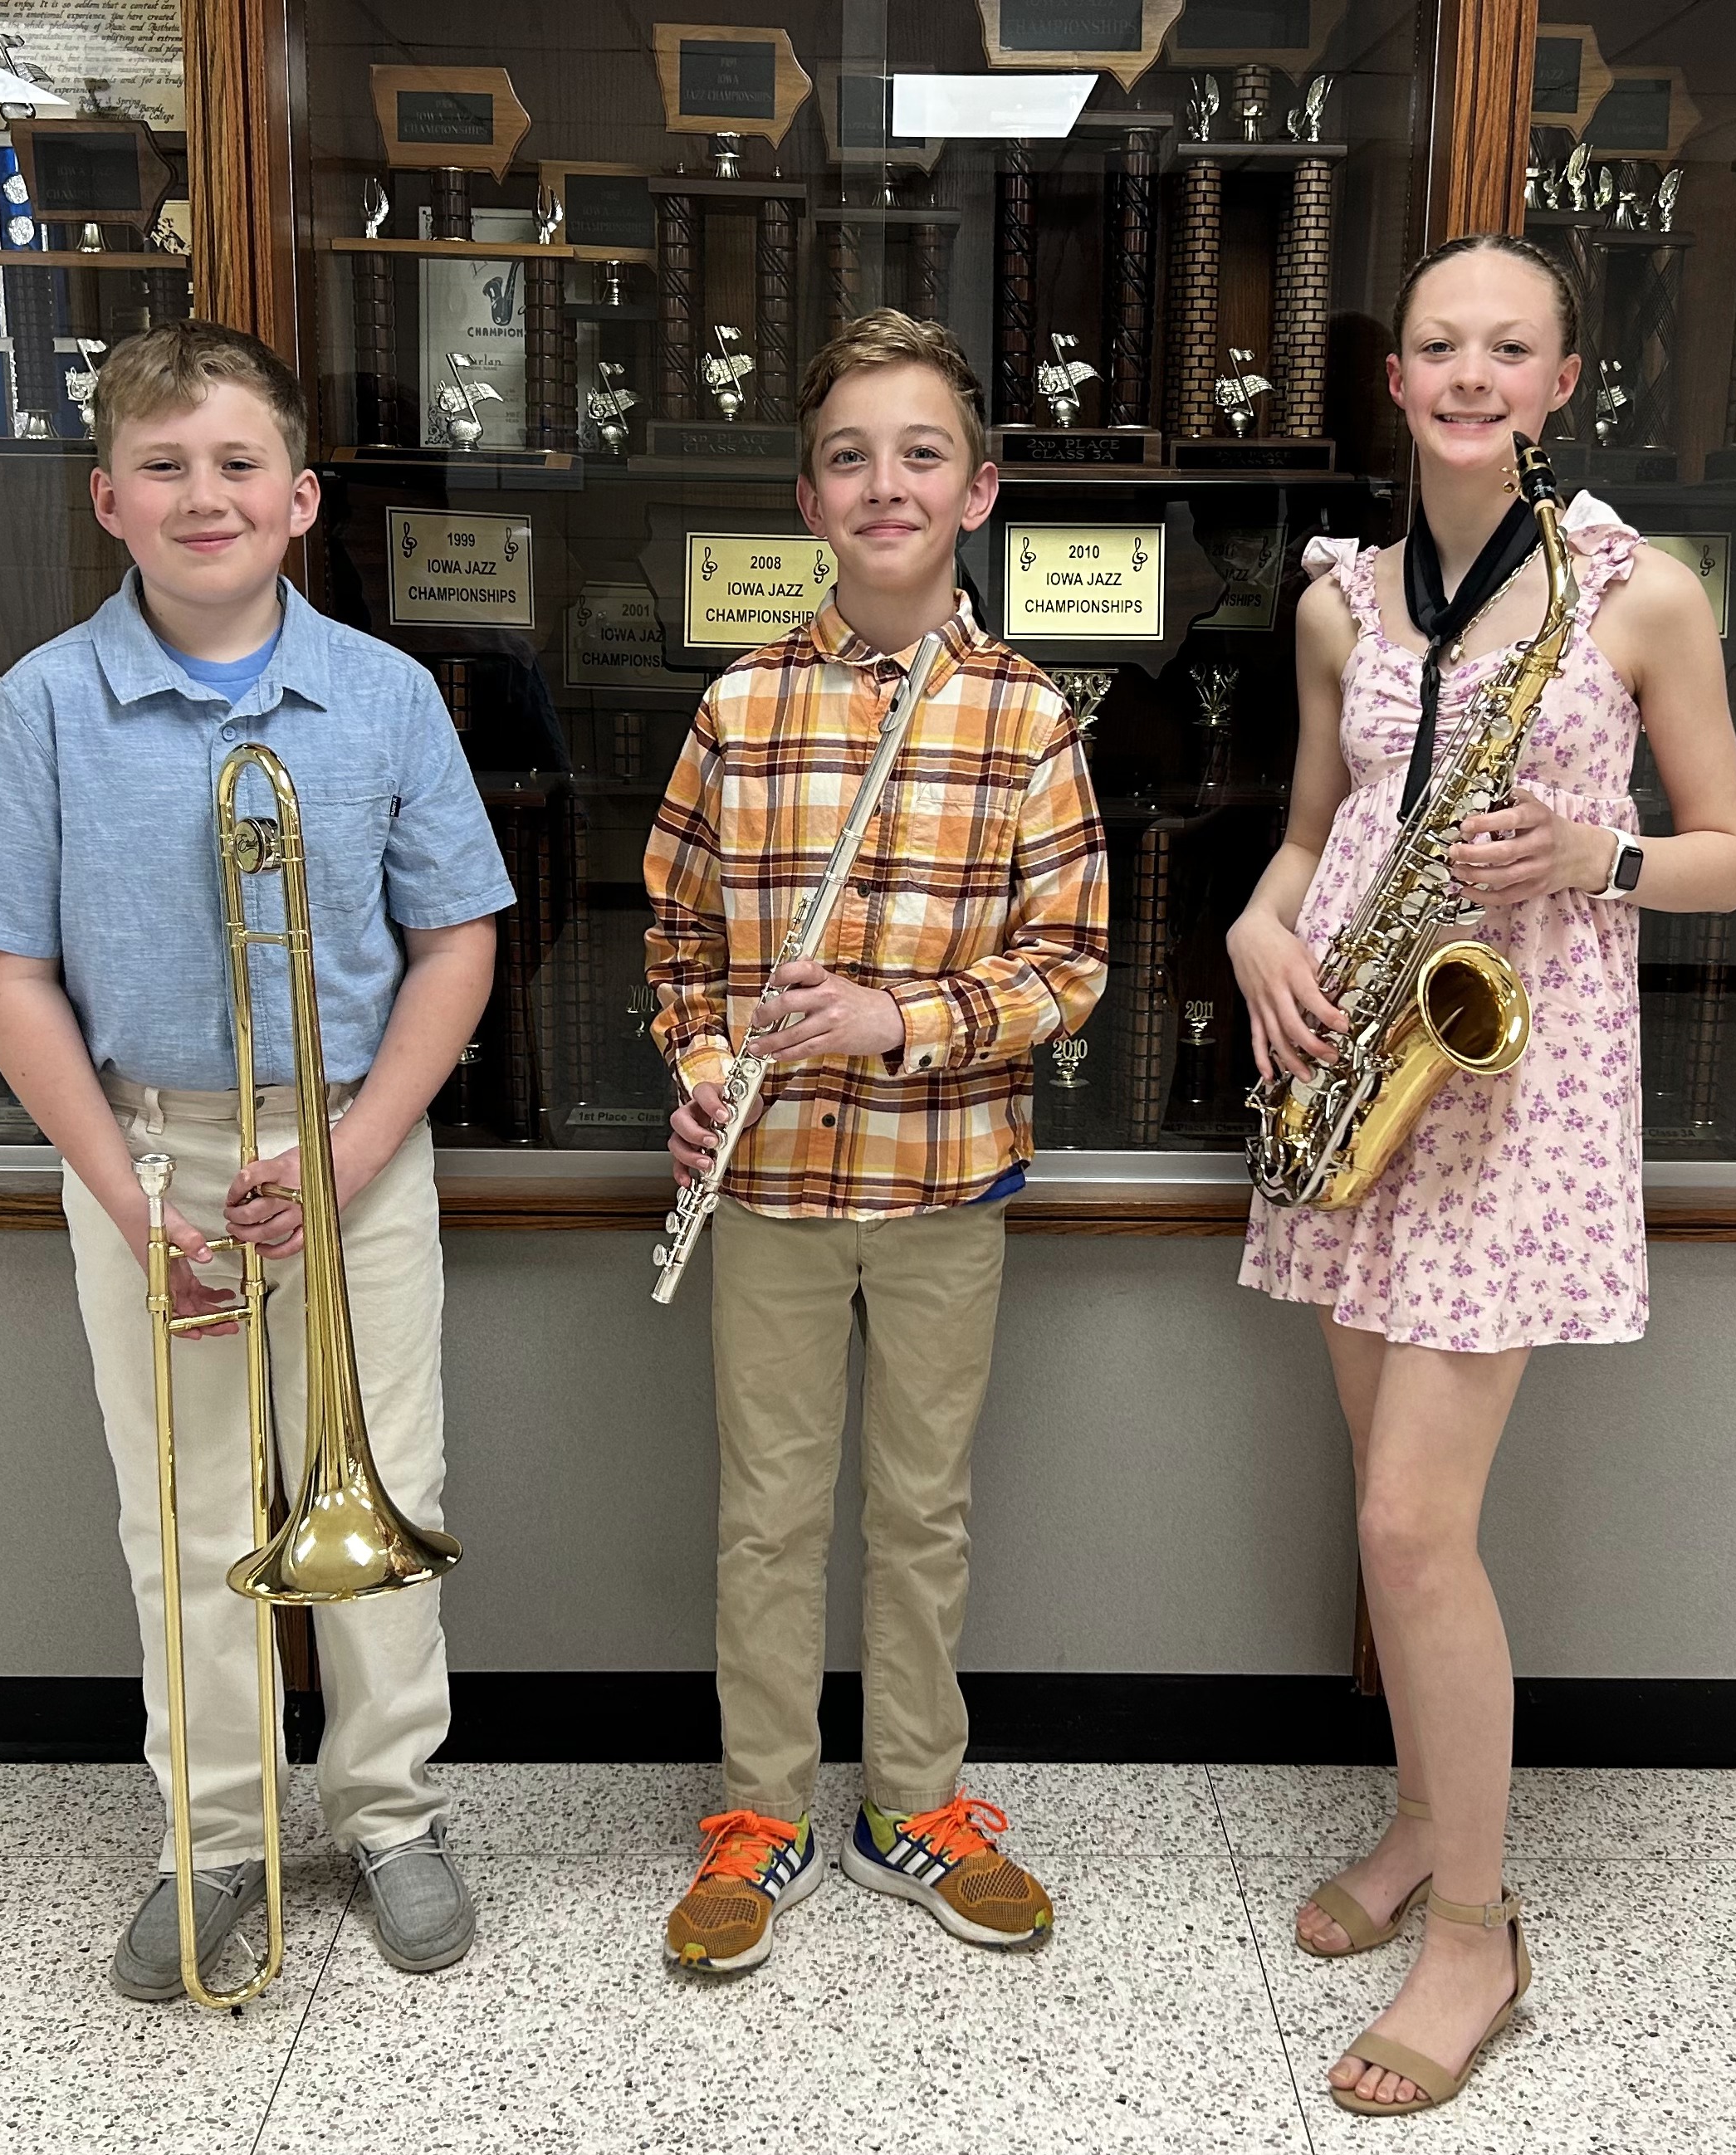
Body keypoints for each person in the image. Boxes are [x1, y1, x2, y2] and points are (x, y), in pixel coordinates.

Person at [1227, 235, 1736, 2115]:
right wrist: (1255, 930)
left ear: (1560, 381)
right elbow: (1312, 837)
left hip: (1514, 1104)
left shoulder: (1639, 595)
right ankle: (1419, 1818)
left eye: (1505, 346)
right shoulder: (1338, 605)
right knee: (1391, 1514)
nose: (1468, 371)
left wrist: (1595, 860)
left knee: (1405, 1530)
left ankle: (1476, 1927)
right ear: (1396, 379)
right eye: (1437, 341)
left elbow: (1734, 857)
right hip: (1364, 1076)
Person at [0, 320, 516, 1999]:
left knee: (382, 1488)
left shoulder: (386, 697)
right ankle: (221, 1837)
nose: (206, 495)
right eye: (166, 467)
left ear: (303, 497)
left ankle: (393, 1810)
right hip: (150, 1158)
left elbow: (458, 940)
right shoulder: (44, 707)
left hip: (351, 1150)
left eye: (239, 462)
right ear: (106, 499)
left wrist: (344, 1152)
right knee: (181, 1512)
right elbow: (5, 967)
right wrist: (131, 1195)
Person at [643, 309, 1108, 1974]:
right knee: (767, 1510)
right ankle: (759, 1809)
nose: (885, 482)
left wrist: (894, 1022)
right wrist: (706, 1068)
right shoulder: (741, 706)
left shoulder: (1030, 714)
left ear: (979, 488)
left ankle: (914, 1798)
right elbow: (679, 948)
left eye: (921, 454)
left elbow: (1070, 965)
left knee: (922, 1507)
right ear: (808, 496)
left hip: (940, 1187)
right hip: (765, 1191)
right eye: (851, 456)